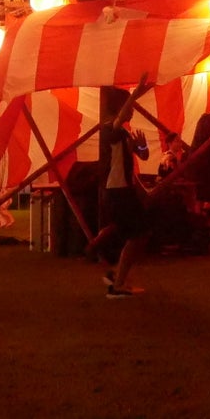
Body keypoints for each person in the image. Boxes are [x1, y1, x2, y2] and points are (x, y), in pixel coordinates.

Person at [89, 83, 152, 298]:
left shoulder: (123, 132)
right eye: (129, 106)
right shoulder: (109, 129)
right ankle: (118, 284)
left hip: (123, 190)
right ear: (120, 106)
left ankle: (117, 276)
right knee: (138, 235)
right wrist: (138, 91)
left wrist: (142, 146)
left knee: (138, 234)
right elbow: (122, 115)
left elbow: (143, 156)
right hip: (118, 190)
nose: (133, 110)